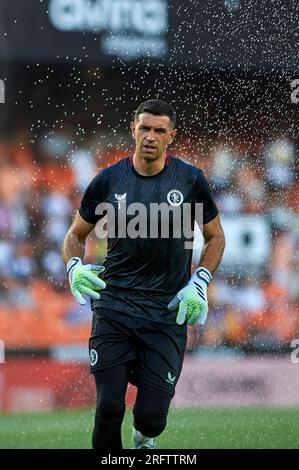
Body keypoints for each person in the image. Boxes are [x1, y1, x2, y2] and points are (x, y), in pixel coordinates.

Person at [61, 99, 225, 450]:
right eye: (145, 128)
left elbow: (215, 236)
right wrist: (74, 266)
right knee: (108, 408)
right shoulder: (107, 180)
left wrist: (200, 281)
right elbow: (75, 235)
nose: (150, 136)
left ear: (171, 137)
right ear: (133, 129)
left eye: (159, 131)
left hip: (166, 314)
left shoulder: (191, 180)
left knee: (152, 420)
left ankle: (143, 437)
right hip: (114, 307)